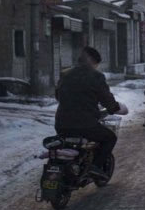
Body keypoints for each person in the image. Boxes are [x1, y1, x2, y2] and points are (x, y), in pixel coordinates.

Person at [54, 46, 129, 177]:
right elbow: (107, 99)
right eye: (96, 65)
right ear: (94, 62)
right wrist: (114, 108)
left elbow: (58, 95)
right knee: (109, 138)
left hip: (61, 124)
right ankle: (95, 166)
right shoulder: (95, 76)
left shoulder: (65, 74)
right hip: (85, 125)